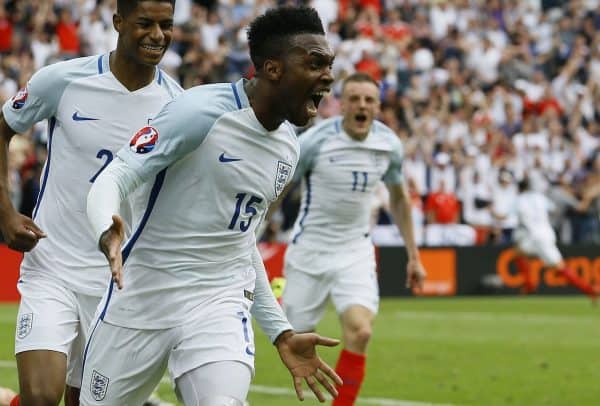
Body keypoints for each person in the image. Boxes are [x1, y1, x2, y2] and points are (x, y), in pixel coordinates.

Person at [82, 6, 341, 406]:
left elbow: (242, 242)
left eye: (330, 64)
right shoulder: (200, 112)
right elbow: (116, 175)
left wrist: (281, 332)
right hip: (142, 295)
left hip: (218, 303)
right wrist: (106, 227)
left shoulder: (288, 148)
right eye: (315, 63)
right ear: (272, 69)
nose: (328, 76)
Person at [0, 1, 182, 405]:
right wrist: (6, 214)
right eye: (146, 23)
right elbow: (2, 130)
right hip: (54, 269)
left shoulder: (177, 107)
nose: (158, 35)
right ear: (118, 22)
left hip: (118, 285)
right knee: (42, 398)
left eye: (166, 25)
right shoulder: (63, 80)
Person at [280, 73, 426, 406]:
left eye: (369, 100)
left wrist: (413, 256)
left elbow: (400, 199)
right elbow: (279, 190)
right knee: (296, 340)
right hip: (309, 252)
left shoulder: (388, 144)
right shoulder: (314, 142)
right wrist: (252, 235)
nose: (362, 105)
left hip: (355, 250)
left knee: (361, 331)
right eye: (355, 98)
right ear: (342, 103)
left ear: (377, 106)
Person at [513, 176, 598, 301]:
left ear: (519, 189)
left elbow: (511, 217)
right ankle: (529, 285)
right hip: (546, 232)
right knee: (518, 252)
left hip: (536, 237)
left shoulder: (519, 200)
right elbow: (553, 209)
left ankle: (589, 290)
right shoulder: (540, 197)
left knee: (559, 267)